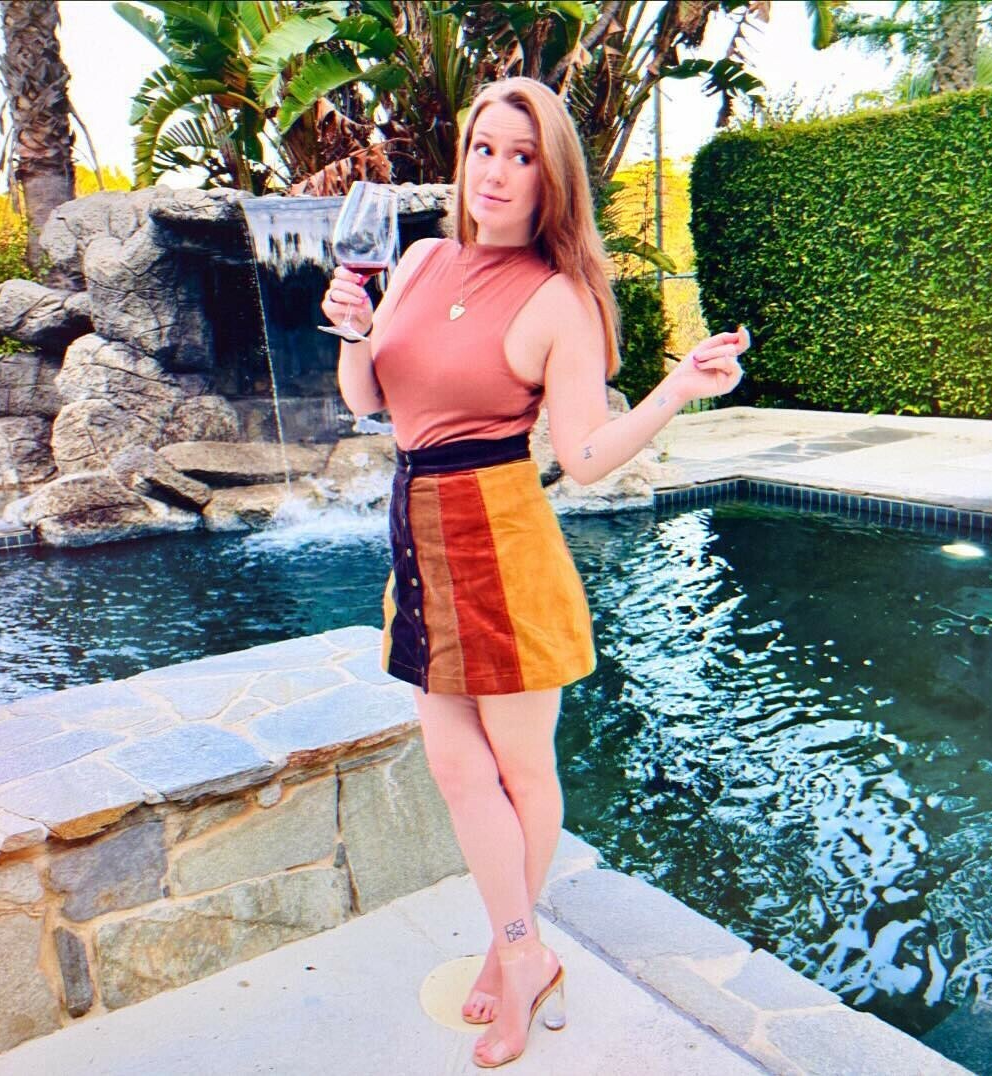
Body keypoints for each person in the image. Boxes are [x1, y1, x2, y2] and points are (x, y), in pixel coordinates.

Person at [321, 76, 750, 1069]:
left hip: (505, 547)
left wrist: (677, 388)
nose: (499, 173)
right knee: (455, 768)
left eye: (524, 157)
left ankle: (516, 956)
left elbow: (586, 457)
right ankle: (521, 947)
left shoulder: (561, 299)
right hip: (420, 541)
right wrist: (352, 329)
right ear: (463, 157)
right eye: (486, 148)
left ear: (551, 180)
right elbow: (367, 401)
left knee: (520, 771)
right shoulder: (417, 260)